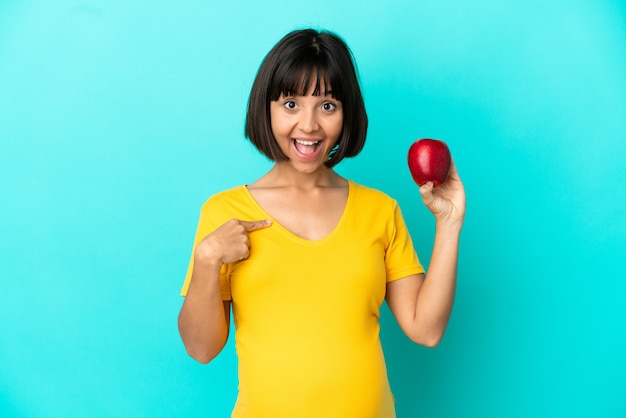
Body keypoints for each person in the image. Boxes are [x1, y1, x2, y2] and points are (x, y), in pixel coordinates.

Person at [178, 28, 466, 418]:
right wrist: (208, 259)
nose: (309, 125)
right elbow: (201, 348)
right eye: (291, 104)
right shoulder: (225, 212)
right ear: (266, 108)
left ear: (347, 113)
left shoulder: (380, 211)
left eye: (327, 105)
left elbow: (426, 330)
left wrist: (449, 224)